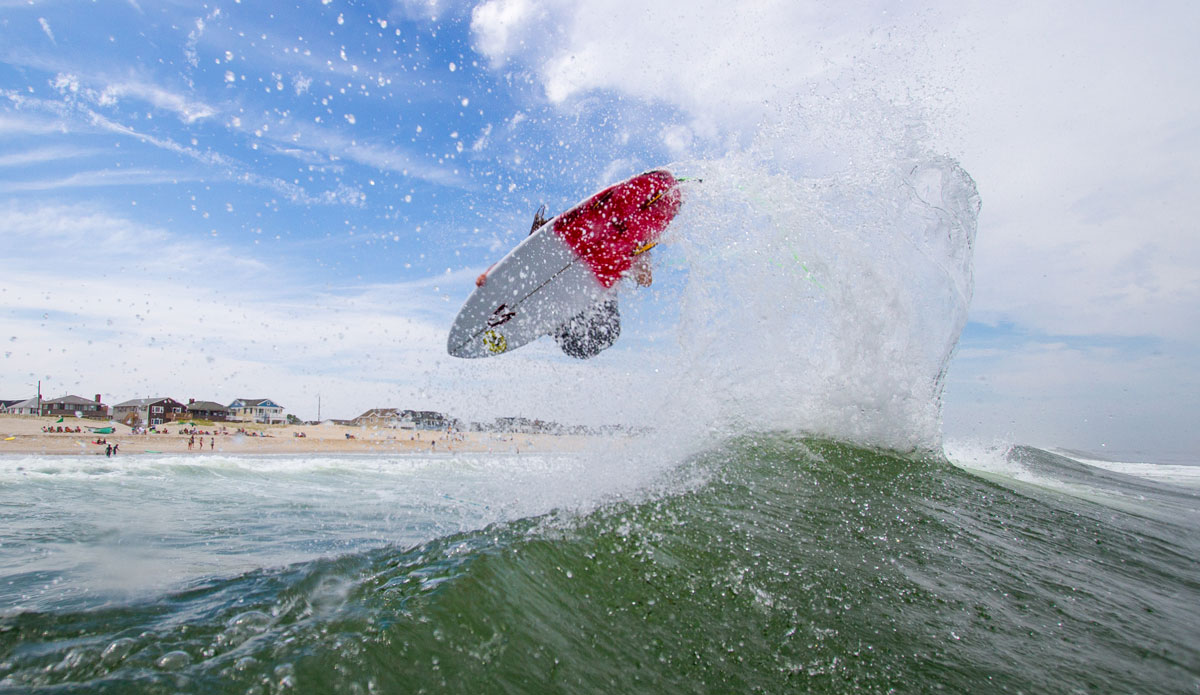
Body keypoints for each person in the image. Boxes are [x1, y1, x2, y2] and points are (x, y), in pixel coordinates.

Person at [528, 206, 654, 359]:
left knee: (602, 271)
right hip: (571, 338)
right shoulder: (557, 262)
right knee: (563, 283)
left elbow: (646, 279)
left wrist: (641, 249)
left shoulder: (607, 251)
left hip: (605, 329)